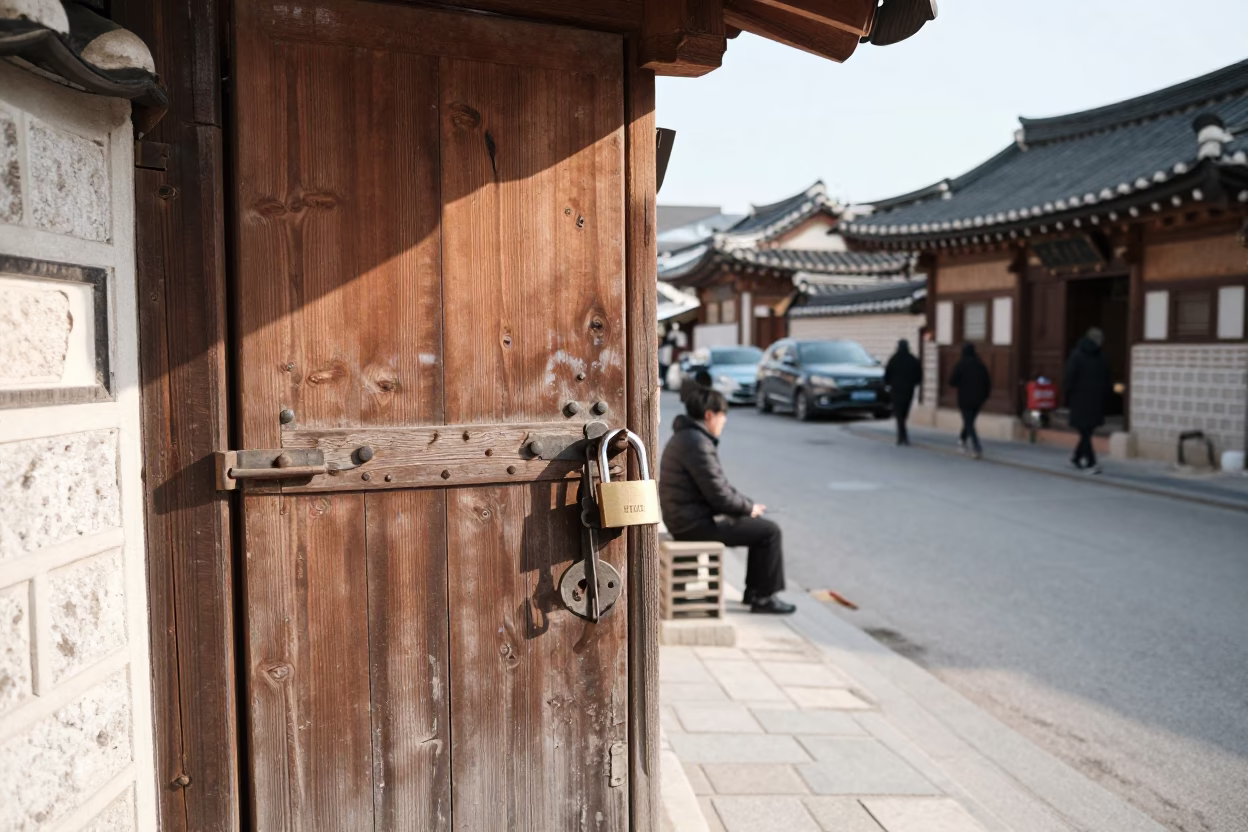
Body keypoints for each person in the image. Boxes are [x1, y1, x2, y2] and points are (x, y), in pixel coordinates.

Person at [659, 386, 794, 614]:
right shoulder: (697, 443)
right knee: (769, 532)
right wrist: (748, 508)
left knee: (759, 528)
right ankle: (763, 597)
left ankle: (755, 593)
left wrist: (748, 506)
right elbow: (719, 495)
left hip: (684, 518)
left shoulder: (688, 437)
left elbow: (719, 487)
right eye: (723, 416)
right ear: (709, 415)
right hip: (693, 525)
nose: (724, 422)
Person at [1064, 327, 1112, 473]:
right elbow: (1107, 380)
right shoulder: (1100, 357)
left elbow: (1069, 378)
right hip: (1095, 401)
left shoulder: (1076, 355)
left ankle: (1078, 458)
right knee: (1086, 431)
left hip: (1079, 400)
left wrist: (1068, 397)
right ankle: (1090, 462)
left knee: (1085, 432)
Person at [948, 342, 991, 458]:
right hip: (979, 399)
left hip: (965, 398)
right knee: (969, 421)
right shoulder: (980, 365)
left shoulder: (961, 364)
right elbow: (987, 382)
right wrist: (985, 396)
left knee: (969, 422)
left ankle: (977, 447)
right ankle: (962, 440)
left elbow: (952, 381)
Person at [884, 339, 923, 445]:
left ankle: (901, 435)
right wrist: (914, 384)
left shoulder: (894, 359)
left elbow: (887, 374)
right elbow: (919, 375)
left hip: (896, 390)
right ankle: (903, 435)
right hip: (908, 390)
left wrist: (888, 385)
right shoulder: (913, 359)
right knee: (905, 412)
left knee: (898, 413)